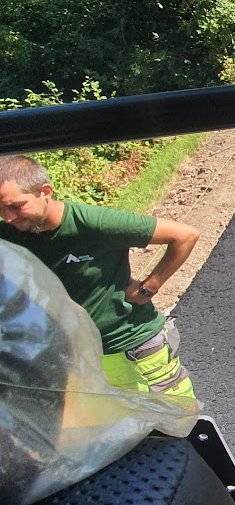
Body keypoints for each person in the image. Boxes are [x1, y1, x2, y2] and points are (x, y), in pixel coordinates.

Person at [0, 154, 198, 401]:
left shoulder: (94, 223)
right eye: (1, 209)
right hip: (80, 358)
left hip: (133, 349)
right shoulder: (12, 233)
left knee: (177, 420)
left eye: (16, 206)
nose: (8, 217)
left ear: (45, 192)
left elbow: (184, 236)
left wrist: (148, 288)